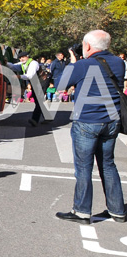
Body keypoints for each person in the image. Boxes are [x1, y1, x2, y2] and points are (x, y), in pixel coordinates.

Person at [54, 30, 126, 224]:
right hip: (111, 121)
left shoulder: (83, 65)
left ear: (87, 46)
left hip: (87, 121)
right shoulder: (118, 63)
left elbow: (60, 84)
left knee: (84, 168)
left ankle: (82, 211)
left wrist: (72, 61)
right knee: (108, 165)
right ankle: (117, 210)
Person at [13, 51, 47, 127]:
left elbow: (30, 75)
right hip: (35, 82)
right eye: (20, 58)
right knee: (37, 99)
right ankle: (48, 116)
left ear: (27, 56)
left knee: (39, 101)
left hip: (42, 81)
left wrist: (19, 76)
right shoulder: (23, 64)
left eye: (23, 57)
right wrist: (6, 64)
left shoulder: (33, 63)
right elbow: (14, 66)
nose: (21, 59)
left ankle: (34, 120)